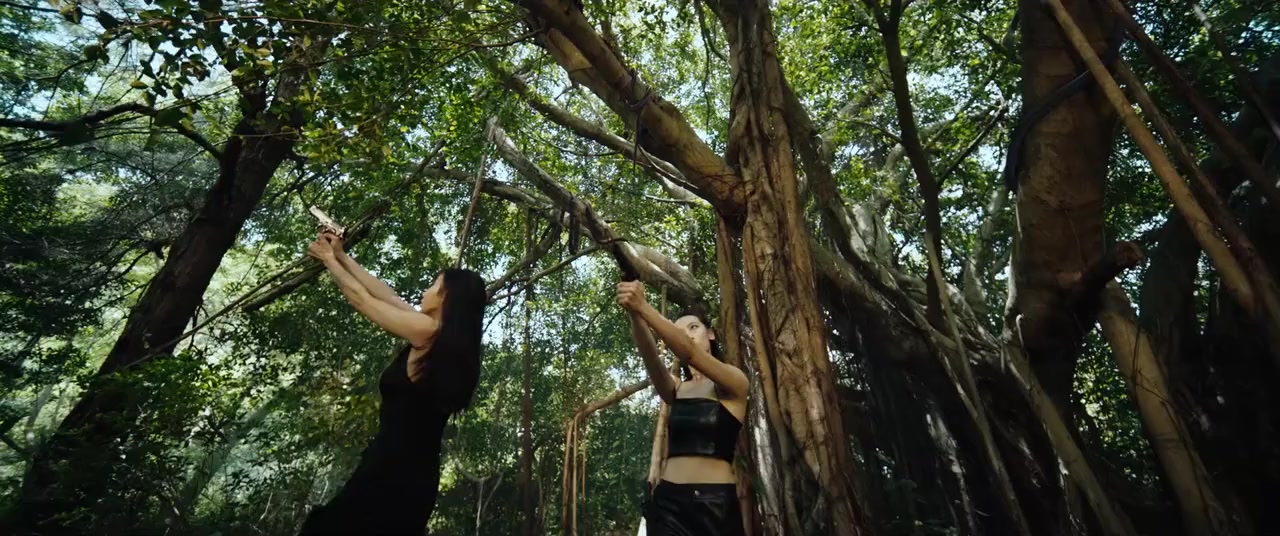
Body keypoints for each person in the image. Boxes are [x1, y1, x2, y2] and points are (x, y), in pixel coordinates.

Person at [298, 232, 487, 535]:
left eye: (433, 285)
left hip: (392, 473)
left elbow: (362, 300)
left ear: (446, 297)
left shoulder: (428, 332)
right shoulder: (440, 339)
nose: (426, 291)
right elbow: (389, 296)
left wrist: (328, 260)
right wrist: (342, 257)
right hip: (411, 476)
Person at [616, 280, 749, 536]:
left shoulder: (734, 382)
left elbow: (689, 352)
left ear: (711, 334)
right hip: (669, 504)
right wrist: (634, 314)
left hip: (715, 506)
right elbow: (650, 358)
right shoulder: (676, 389)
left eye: (693, 327)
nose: (686, 335)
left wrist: (643, 306)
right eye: (678, 331)